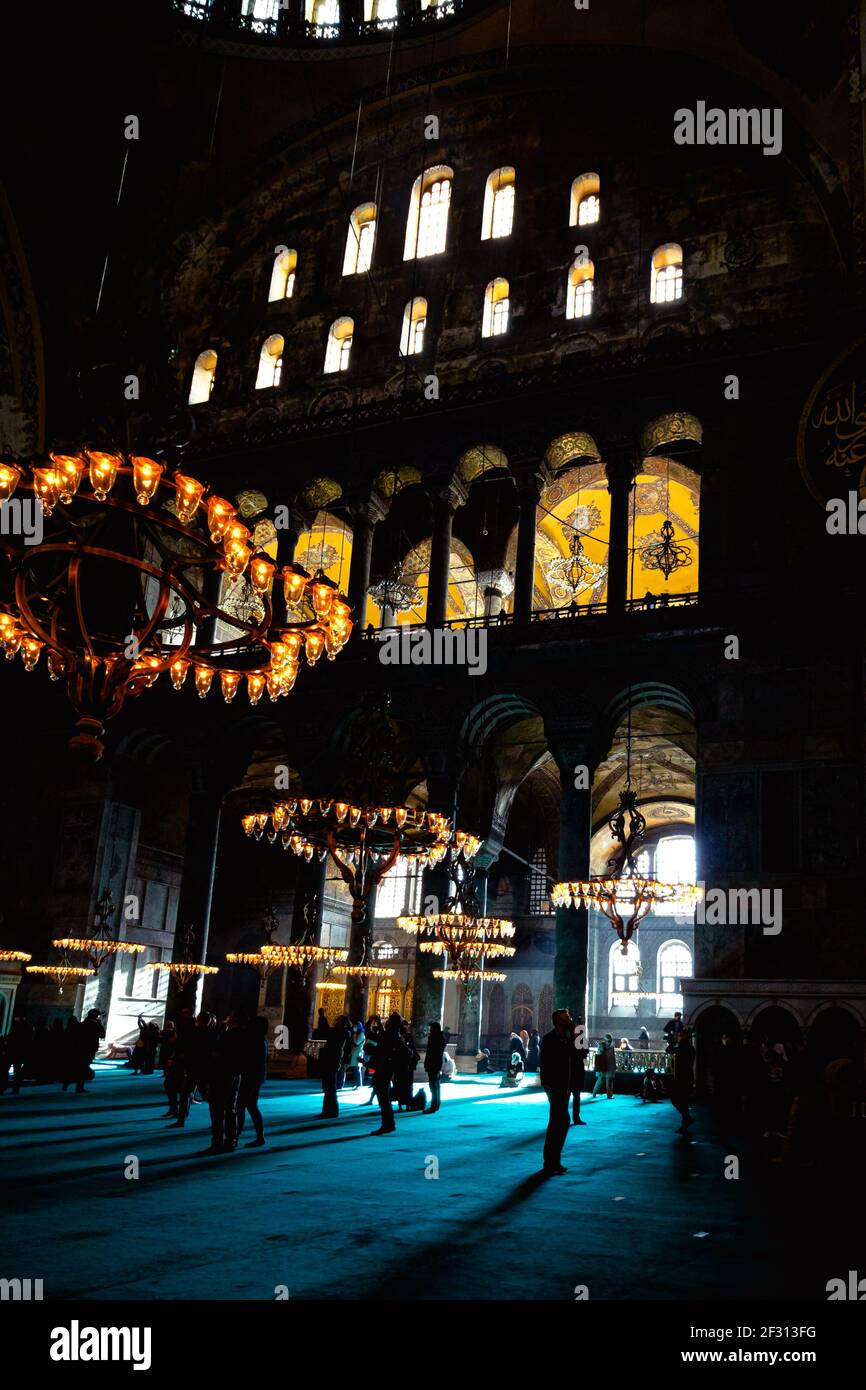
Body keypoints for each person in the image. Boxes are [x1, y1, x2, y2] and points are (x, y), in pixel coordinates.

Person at [539, 1008, 575, 1175]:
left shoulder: (568, 1037)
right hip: (554, 1085)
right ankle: (551, 1160)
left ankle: (553, 1160)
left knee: (559, 1121)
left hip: (563, 1085)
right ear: (559, 1021)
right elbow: (549, 1064)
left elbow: (577, 1055)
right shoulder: (549, 1039)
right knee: (558, 1121)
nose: (569, 1018)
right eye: (566, 1017)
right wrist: (551, 1084)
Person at [206, 1012, 243, 1153]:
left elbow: (216, 1054)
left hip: (222, 1074)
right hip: (234, 1074)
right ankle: (231, 1140)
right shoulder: (243, 1036)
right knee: (230, 1109)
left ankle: (217, 1142)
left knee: (217, 1110)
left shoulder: (227, 1036)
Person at [370, 1012, 407, 1135]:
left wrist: (372, 1022)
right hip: (388, 1068)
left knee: (383, 1098)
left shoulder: (390, 1035)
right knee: (384, 1097)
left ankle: (387, 1124)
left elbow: (373, 1036)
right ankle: (389, 1124)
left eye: (389, 1020)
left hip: (384, 1068)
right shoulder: (396, 1035)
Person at [238, 1016, 269, 1146]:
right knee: (250, 1106)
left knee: (244, 1106)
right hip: (256, 1076)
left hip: (251, 1077)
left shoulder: (256, 1040)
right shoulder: (261, 1039)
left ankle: (235, 1135)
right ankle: (258, 1136)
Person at [320, 1015, 351, 1118]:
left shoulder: (340, 1032)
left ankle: (330, 1111)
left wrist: (322, 1017)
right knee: (329, 1086)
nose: (335, 1021)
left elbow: (328, 1032)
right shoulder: (340, 1031)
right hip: (333, 1058)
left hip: (333, 1059)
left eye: (337, 1020)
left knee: (330, 1086)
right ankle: (329, 1110)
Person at [671, 1028, 696, 1132]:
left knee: (680, 1100)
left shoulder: (687, 1048)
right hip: (681, 1078)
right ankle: (686, 1120)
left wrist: (675, 1043)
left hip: (684, 1078)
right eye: (679, 1035)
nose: (679, 1037)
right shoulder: (684, 1047)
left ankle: (686, 1122)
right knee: (680, 1101)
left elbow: (670, 1050)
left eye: (681, 1036)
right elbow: (669, 1050)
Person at [395, 1019, 420, 1110]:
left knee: (401, 1086)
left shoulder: (400, 1039)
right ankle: (407, 1105)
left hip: (402, 1068)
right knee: (407, 1086)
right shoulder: (407, 1039)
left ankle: (402, 1105)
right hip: (407, 1068)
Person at [424, 1021, 446, 1113]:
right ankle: (436, 1104)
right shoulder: (441, 1038)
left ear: (435, 1029)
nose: (430, 1030)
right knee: (436, 1084)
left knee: (433, 1085)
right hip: (436, 1063)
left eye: (431, 1029)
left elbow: (431, 1052)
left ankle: (433, 1106)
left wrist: (427, 1064)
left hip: (433, 1063)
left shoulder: (435, 1038)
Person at [571, 1018, 589, 1125]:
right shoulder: (570, 1042)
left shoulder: (582, 1042)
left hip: (577, 1071)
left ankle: (576, 1117)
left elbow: (585, 1056)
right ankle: (571, 1117)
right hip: (572, 1071)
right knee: (572, 1097)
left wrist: (586, 1067)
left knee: (576, 1096)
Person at [590, 1034, 616, 1099]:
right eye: (608, 1041)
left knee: (608, 1081)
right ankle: (594, 1093)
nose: (609, 1042)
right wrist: (602, 1048)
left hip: (609, 1067)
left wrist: (614, 1065)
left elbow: (613, 1057)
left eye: (610, 1041)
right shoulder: (601, 1046)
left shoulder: (611, 1047)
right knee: (601, 1080)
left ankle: (608, 1095)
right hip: (603, 1067)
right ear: (605, 1040)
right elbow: (599, 1056)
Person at [345, 1020, 366, 1089]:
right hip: (355, 1052)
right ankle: (356, 1084)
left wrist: (353, 1035)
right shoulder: (357, 1034)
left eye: (356, 1026)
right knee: (355, 1069)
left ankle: (358, 1084)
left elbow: (357, 1042)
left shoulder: (361, 1034)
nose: (354, 1027)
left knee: (357, 1069)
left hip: (358, 1052)